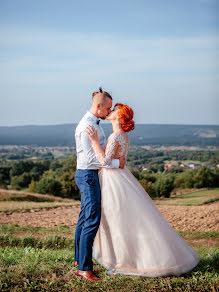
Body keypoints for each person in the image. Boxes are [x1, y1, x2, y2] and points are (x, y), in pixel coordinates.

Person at [85, 103, 200, 277]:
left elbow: (105, 162)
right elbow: (119, 160)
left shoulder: (115, 136)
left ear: (120, 116)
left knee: (116, 219)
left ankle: (123, 260)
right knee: (124, 219)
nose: (111, 112)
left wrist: (94, 141)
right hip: (122, 177)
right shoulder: (124, 136)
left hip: (113, 181)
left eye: (114, 110)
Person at [74, 88, 126, 281]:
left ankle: (78, 259)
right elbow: (90, 159)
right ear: (98, 106)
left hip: (90, 175)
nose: (109, 111)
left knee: (84, 217)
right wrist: (116, 164)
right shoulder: (87, 126)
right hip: (87, 175)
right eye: (108, 108)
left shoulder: (95, 124)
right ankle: (84, 268)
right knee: (92, 219)